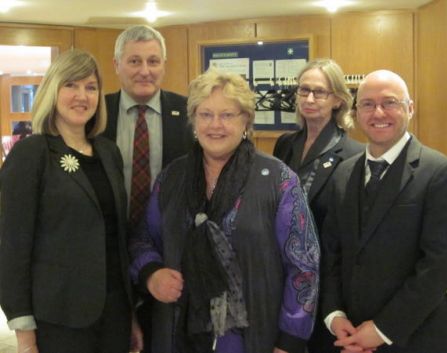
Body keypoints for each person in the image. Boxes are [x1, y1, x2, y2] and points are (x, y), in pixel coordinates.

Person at [129, 69, 321, 353]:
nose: (215, 125)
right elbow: (143, 239)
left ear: (246, 120)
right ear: (193, 119)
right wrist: (151, 273)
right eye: (205, 114)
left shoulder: (279, 181)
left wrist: (290, 341)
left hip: (254, 338)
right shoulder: (172, 178)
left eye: (227, 115)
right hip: (178, 333)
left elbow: (304, 265)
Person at [0, 49, 137, 353]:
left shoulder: (107, 152)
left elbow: (117, 240)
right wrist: (23, 330)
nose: (82, 96)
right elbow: (12, 247)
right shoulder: (32, 154)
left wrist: (132, 316)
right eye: (71, 85)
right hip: (58, 319)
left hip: (114, 312)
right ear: (53, 90)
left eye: (91, 87)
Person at [321, 69, 447, 353]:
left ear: (409, 108)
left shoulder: (441, 174)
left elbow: (436, 267)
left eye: (390, 102)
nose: (378, 113)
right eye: (367, 104)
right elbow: (331, 253)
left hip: (415, 338)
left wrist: (382, 329)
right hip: (348, 336)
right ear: (356, 111)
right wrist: (333, 314)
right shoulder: (343, 173)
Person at [102, 24, 193, 351]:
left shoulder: (189, 113)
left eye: (153, 61)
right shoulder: (96, 114)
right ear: (116, 65)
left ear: (164, 65)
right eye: (134, 61)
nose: (145, 71)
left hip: (167, 261)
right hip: (105, 259)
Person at [273, 58, 362, 353]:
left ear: (337, 99)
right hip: (282, 272)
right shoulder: (285, 144)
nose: (309, 99)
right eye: (304, 90)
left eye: (319, 92)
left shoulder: (352, 154)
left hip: (325, 278)